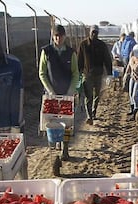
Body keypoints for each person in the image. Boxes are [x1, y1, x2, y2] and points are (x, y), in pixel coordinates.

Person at [39, 24, 79, 160]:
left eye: (61, 36)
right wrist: (50, 90)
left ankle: (65, 148)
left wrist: (70, 91)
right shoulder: (46, 52)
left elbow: (75, 74)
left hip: (66, 94)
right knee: (52, 121)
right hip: (51, 94)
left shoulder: (71, 53)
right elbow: (42, 73)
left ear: (64, 36)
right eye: (56, 36)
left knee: (67, 123)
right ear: (52, 36)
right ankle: (55, 142)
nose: (58, 38)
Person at [78, 24, 113, 125]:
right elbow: (80, 60)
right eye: (93, 32)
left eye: (96, 32)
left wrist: (109, 74)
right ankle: (89, 116)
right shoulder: (83, 45)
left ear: (98, 33)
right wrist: (78, 74)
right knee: (88, 96)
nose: (94, 34)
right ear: (90, 32)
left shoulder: (102, 45)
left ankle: (94, 111)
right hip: (87, 75)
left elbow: (107, 59)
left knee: (97, 95)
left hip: (98, 74)